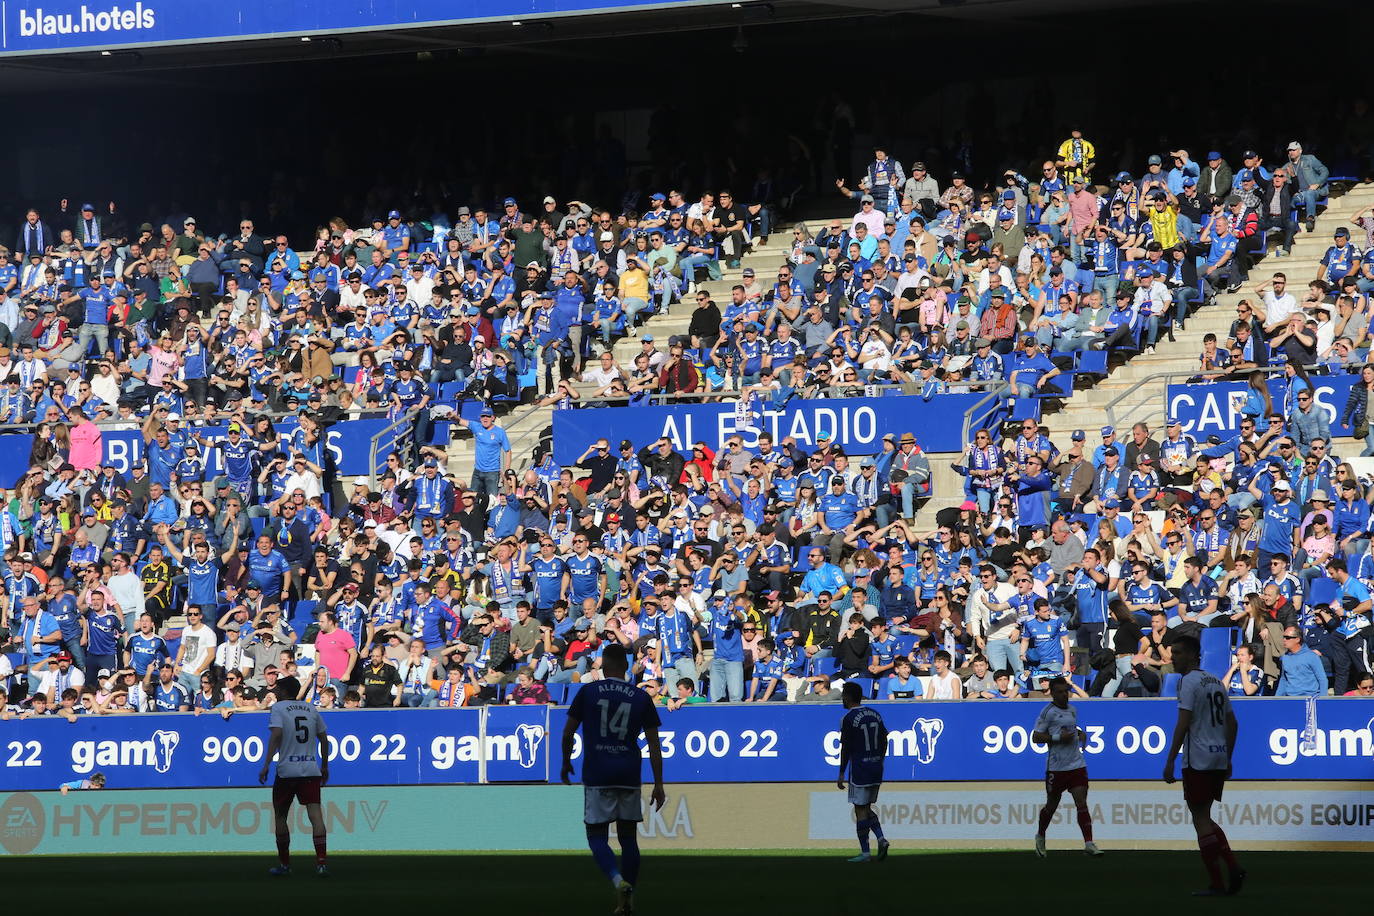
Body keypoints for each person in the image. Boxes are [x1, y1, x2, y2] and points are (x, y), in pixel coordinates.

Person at [560, 644, 666, 916]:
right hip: (629, 772)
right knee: (629, 838)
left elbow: (568, 731)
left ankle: (618, 882)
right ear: (625, 665)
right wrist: (658, 784)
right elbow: (654, 743)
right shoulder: (640, 696)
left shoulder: (588, 691)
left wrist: (565, 762)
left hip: (598, 772)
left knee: (596, 836)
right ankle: (627, 901)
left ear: (604, 666)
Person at [1161, 635, 1244, 897]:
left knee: (1199, 818)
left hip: (1198, 758)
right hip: (1218, 757)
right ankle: (1229, 870)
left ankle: (1221, 879)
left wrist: (1170, 759)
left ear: (1193, 655)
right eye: (1173, 652)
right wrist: (1228, 756)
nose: (1173, 657)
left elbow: (1183, 723)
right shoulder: (1217, 681)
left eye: (1178, 653)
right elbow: (1233, 723)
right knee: (1204, 816)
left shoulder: (1188, 681)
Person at [258, 694, 330, 877]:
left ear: (283, 692)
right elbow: (324, 738)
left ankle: (285, 865)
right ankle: (321, 864)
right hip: (310, 768)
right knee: (316, 817)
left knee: (281, 816)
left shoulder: (279, 708)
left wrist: (266, 764)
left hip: (287, 771)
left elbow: (276, 734)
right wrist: (324, 766)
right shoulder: (311, 708)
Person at [1030, 676, 1102, 858]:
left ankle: (1089, 843)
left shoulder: (1072, 710)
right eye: (1060, 692)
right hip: (1056, 767)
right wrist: (1057, 739)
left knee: (1081, 803)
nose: (1064, 695)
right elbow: (1036, 737)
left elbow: (1070, 729)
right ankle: (1040, 835)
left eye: (1066, 691)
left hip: (1076, 764)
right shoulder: (1048, 713)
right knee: (1051, 806)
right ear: (1053, 693)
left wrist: (1080, 733)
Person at [836, 680, 889, 863]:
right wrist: (879, 759)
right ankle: (881, 839)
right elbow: (885, 739)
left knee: (860, 810)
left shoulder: (848, 718)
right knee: (866, 808)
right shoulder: (875, 714)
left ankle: (865, 853)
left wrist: (842, 772)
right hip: (876, 768)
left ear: (849, 697)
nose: (842, 698)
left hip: (859, 769)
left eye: (843, 695)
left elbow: (846, 748)